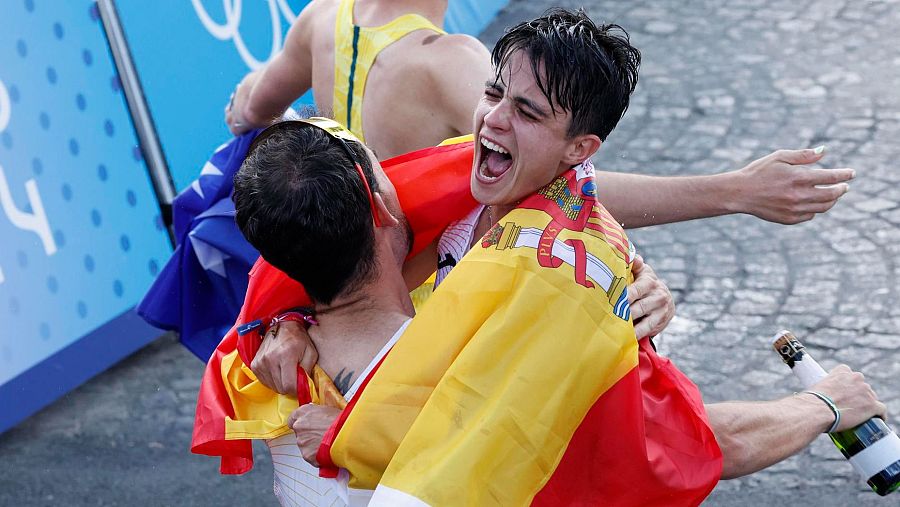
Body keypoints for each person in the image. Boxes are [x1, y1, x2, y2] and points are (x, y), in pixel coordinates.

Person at [210, 10, 883, 505]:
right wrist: (289, 322)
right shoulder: (452, 187)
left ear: (578, 148)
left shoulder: (567, 280)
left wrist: (823, 404)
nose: (493, 120)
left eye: (527, 113)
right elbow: (323, 235)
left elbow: (666, 443)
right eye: (494, 93)